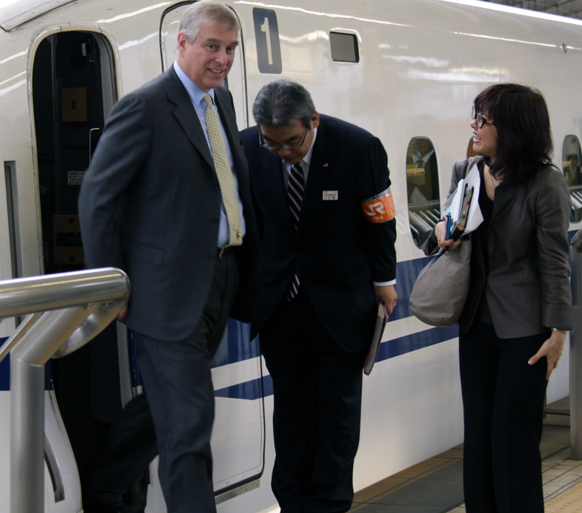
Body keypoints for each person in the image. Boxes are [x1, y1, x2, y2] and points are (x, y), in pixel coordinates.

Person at [78, 0, 263, 512]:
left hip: (219, 280)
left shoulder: (218, 103)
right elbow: (98, 198)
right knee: (188, 425)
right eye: (212, 46)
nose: (223, 59)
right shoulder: (146, 107)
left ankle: (105, 481)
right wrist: (111, 287)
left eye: (230, 49)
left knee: (171, 405)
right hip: (164, 293)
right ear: (180, 44)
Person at [239, 80, 397, 513]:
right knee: (290, 411)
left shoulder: (357, 147)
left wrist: (385, 280)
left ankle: (328, 504)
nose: (282, 153)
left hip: (340, 304)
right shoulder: (248, 147)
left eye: (290, 143)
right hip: (280, 306)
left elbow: (379, 218)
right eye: (271, 144)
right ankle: (291, 502)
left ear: (313, 121)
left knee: (337, 414)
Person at [431, 83, 577, 513]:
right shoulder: (466, 171)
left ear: (512, 128)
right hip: (475, 324)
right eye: (474, 117)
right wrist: (441, 233)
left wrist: (559, 331)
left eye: (483, 119)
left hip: (526, 332)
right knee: (478, 440)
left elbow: (555, 261)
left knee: (513, 441)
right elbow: (443, 229)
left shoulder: (545, 183)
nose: (473, 126)